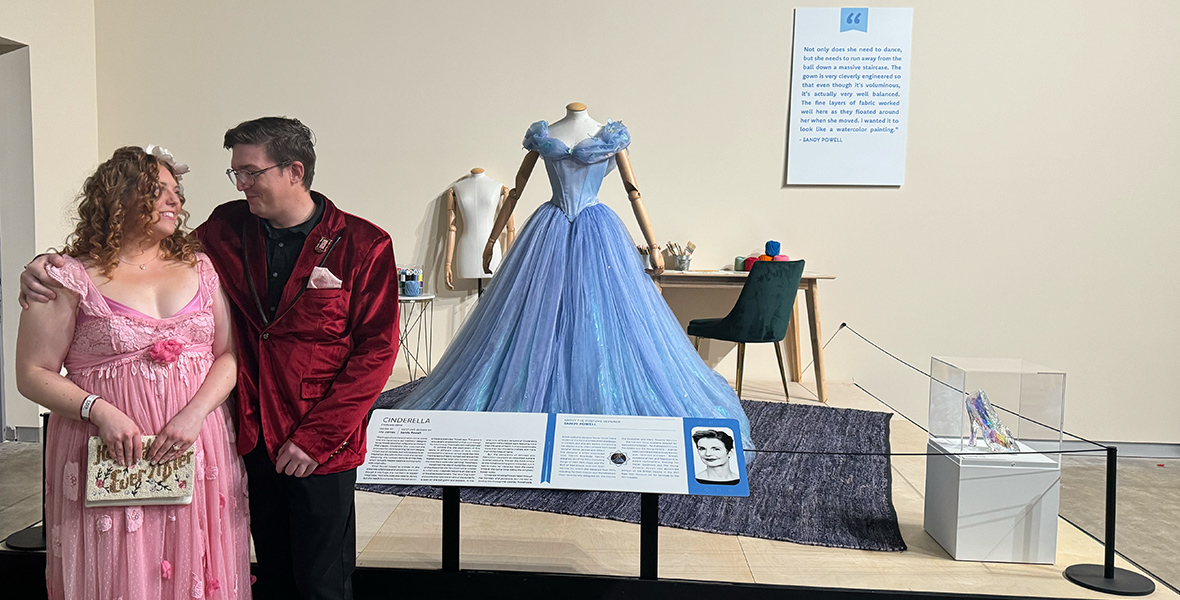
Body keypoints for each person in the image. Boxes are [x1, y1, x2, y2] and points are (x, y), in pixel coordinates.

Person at [23, 117, 400, 600]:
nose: (241, 184)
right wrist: (41, 266)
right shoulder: (226, 228)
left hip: (320, 441)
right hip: (247, 435)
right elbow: (139, 250)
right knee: (272, 576)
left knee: (323, 582)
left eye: (250, 172)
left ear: (294, 171)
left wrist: (317, 438)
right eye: (235, 174)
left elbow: (377, 352)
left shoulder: (364, 244)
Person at [393, 103, 755, 451]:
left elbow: (632, 191)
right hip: (555, 229)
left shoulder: (607, 136)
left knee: (598, 319)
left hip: (589, 231)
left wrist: (654, 245)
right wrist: (490, 240)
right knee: (535, 320)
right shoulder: (544, 135)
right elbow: (516, 190)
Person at [15, 146, 251, 599]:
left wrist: (194, 414)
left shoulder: (201, 266)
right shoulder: (66, 277)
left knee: (195, 561)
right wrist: (97, 409)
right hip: (106, 446)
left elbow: (228, 355)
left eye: (176, 192)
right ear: (118, 197)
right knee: (120, 569)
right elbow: (32, 372)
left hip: (196, 443)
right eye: (158, 191)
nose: (175, 201)